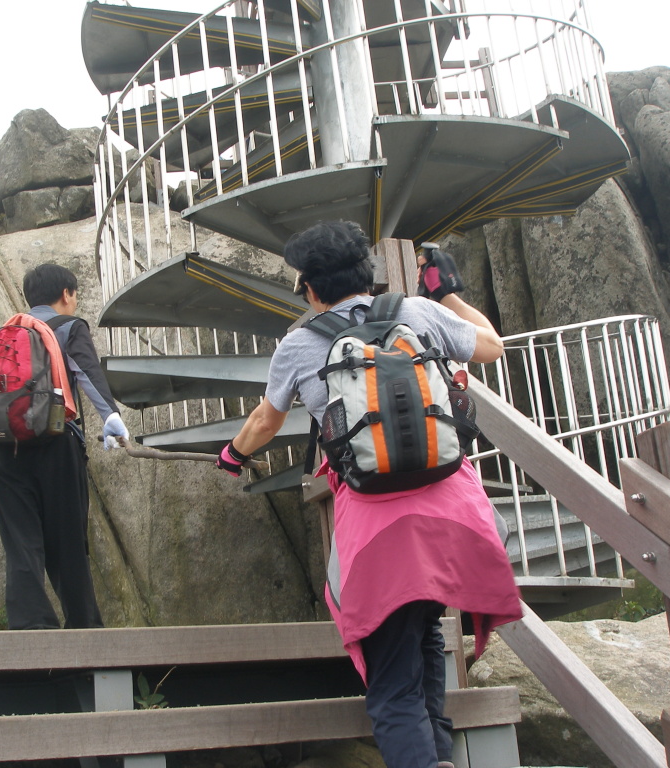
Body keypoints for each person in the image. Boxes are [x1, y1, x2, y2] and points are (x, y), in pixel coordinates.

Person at [215, 221, 522, 768]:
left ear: (310, 289)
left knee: (390, 686)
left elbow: (265, 420)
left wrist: (234, 455)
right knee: (424, 635)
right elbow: (492, 346)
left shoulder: (298, 346)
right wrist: (444, 291)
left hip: (379, 535)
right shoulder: (419, 313)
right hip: (453, 516)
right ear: (368, 274)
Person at [0, 263, 129, 630]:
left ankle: (30, 626)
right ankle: (84, 628)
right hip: (56, 445)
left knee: (21, 541)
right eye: (75, 295)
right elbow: (86, 372)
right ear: (66, 294)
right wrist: (112, 420)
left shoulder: (8, 331)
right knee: (68, 542)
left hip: (6, 448)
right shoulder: (68, 326)